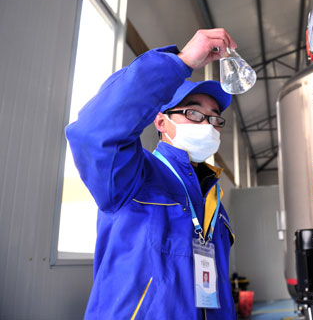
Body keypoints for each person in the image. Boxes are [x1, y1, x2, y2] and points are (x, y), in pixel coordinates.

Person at [66, 28, 238, 319]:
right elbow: (94, 133)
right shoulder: (131, 176)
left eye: (214, 119)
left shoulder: (213, 198)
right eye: (194, 113)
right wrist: (182, 62)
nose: (207, 125)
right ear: (160, 121)